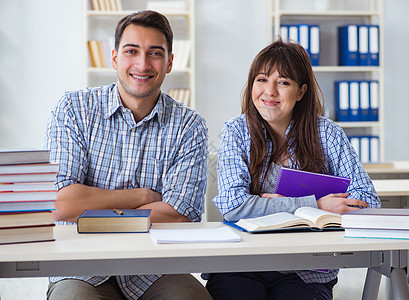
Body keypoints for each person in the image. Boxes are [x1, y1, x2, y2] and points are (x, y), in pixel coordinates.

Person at [44, 10, 211, 300]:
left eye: (155, 53)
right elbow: (60, 203)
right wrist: (141, 197)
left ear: (170, 62)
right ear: (114, 58)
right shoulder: (73, 109)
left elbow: (179, 216)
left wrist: (90, 211)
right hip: (81, 264)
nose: (142, 64)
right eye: (131, 51)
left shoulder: (189, 125)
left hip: (155, 266)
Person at [206, 39, 381, 300]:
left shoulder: (327, 134)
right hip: (241, 264)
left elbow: (368, 203)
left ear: (301, 92)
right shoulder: (236, 131)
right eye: (262, 80)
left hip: (306, 271)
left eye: (284, 82)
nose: (270, 91)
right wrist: (315, 206)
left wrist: (269, 206)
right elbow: (234, 206)